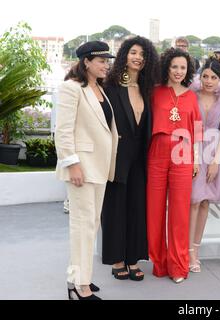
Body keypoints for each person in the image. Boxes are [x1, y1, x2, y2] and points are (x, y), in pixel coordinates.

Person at [55, 41, 117, 300]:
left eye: (107, 60)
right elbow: (63, 130)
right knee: (82, 225)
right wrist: (73, 164)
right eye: (101, 60)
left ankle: (80, 278)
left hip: (99, 168)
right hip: (82, 167)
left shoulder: (99, 89)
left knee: (90, 224)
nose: (106, 65)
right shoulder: (72, 89)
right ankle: (80, 287)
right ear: (86, 62)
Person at [101, 36, 160, 281]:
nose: (138, 57)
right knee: (115, 208)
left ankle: (133, 258)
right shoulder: (110, 85)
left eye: (143, 55)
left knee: (137, 207)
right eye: (133, 52)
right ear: (125, 54)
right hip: (116, 154)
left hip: (141, 157)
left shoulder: (148, 89)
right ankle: (117, 259)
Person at [146, 48, 202, 284]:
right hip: (157, 151)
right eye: (175, 66)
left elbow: (197, 128)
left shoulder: (191, 97)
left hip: (183, 152)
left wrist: (197, 158)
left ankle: (178, 266)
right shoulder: (154, 92)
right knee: (155, 209)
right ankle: (159, 263)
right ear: (167, 67)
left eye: (183, 67)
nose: (179, 71)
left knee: (179, 211)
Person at [188, 57, 220, 273]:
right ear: (200, 76)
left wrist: (217, 161)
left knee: (205, 201)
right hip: (192, 149)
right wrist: (194, 157)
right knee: (193, 202)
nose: (209, 81)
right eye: (205, 76)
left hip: (214, 151)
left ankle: (195, 252)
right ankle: (187, 251)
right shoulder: (192, 95)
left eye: (214, 77)